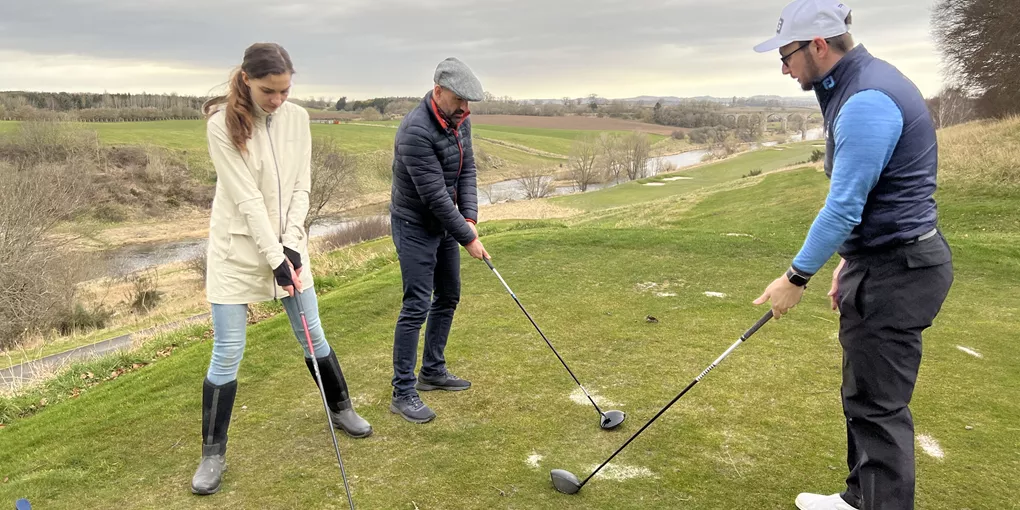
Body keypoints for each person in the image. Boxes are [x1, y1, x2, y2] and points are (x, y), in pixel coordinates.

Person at [751, 1, 954, 509]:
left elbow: (843, 208)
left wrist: (795, 278)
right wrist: (849, 259)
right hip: (884, 261)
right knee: (862, 396)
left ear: (819, 45)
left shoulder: (865, 99)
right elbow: (875, 198)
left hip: (899, 270)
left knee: (879, 408)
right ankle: (857, 499)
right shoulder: (855, 83)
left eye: (787, 54)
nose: (783, 66)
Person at [191, 42, 371, 496]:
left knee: (313, 332)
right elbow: (246, 198)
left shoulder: (299, 119)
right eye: (269, 91)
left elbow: (301, 187)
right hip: (236, 252)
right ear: (247, 80)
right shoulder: (221, 125)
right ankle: (213, 453)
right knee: (228, 350)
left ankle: (341, 406)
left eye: (285, 90)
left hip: (287, 247)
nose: (277, 100)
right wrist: (274, 258)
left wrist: (290, 245)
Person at [387, 57, 491, 424]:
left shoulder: (459, 121)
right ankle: (403, 392)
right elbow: (433, 195)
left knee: (448, 294)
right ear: (438, 91)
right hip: (414, 224)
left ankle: (432, 370)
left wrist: (469, 218)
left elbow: (468, 170)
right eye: (459, 99)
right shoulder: (415, 130)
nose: (464, 108)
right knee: (416, 304)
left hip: (446, 222)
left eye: (469, 102)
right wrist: (468, 239)